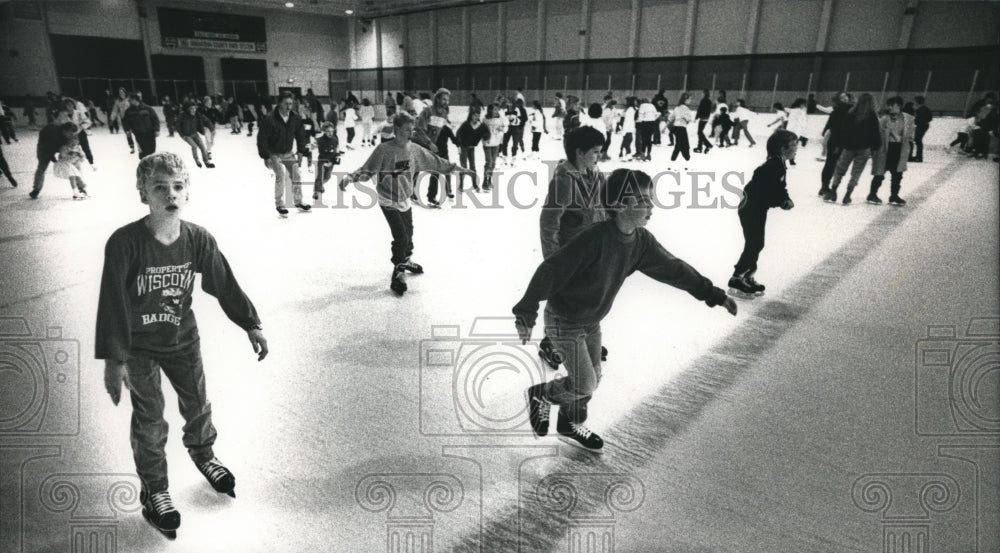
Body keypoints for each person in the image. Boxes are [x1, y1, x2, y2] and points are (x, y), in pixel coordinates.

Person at [96, 152, 268, 539]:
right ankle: (155, 490)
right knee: (150, 418)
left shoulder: (197, 238)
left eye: (177, 186)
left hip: (182, 341)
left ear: (187, 191)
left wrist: (250, 323)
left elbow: (224, 282)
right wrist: (113, 360)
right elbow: (113, 302)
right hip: (138, 348)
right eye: (160, 187)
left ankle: (204, 455)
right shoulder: (125, 243)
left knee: (197, 403)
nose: (170, 194)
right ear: (143, 193)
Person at [517, 168, 737, 452]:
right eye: (644, 201)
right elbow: (551, 270)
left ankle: (569, 422)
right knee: (584, 384)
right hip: (564, 319)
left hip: (591, 321)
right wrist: (526, 312)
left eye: (651, 200)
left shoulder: (641, 241)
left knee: (594, 375)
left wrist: (712, 294)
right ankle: (542, 395)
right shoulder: (593, 239)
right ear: (620, 206)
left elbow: (674, 269)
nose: (651, 207)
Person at [339, 112, 473, 296]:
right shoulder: (384, 150)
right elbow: (367, 170)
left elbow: (435, 161)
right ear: (396, 130)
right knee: (401, 237)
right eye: (406, 129)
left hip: (405, 199)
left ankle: (406, 259)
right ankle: (398, 272)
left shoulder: (414, 149)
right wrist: (349, 178)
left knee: (409, 235)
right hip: (388, 199)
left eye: (412, 129)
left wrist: (457, 168)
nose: (410, 133)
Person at [537, 126, 608, 369]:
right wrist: (553, 260)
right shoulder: (564, 180)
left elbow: (603, 205)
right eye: (596, 152)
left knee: (587, 293)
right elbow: (549, 223)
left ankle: (585, 334)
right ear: (580, 152)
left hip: (593, 249)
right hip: (569, 253)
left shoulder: (594, 174)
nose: (599, 156)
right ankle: (550, 341)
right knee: (564, 297)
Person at [729, 130, 797, 298]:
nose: (797, 148)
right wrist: (780, 202)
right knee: (754, 244)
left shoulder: (779, 163)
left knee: (757, 244)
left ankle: (747, 276)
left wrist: (784, 198)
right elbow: (761, 189)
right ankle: (736, 279)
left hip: (756, 208)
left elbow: (779, 187)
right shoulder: (772, 166)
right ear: (783, 148)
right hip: (750, 209)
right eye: (794, 145)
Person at [257, 92, 312, 216]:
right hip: (273, 153)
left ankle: (298, 201)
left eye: (291, 104)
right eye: (286, 104)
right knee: (280, 175)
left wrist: (300, 151)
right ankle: (280, 204)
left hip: (288, 152)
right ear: (279, 103)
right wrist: (265, 156)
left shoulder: (295, 118)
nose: (289, 106)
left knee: (296, 175)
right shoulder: (270, 118)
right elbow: (262, 138)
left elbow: (301, 135)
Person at [824, 93, 880, 205]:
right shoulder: (872, 116)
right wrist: (874, 148)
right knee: (856, 172)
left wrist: (839, 145)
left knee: (840, 169)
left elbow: (843, 131)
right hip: (864, 148)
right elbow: (875, 134)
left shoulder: (851, 113)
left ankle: (833, 191)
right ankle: (848, 194)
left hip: (848, 147)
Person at [867, 96, 914, 206]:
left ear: (899, 106)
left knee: (897, 174)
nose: (892, 107)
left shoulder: (908, 119)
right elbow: (877, 134)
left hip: (899, 149)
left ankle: (894, 195)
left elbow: (911, 135)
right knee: (879, 174)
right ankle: (872, 194)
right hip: (884, 149)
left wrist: (905, 139)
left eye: (894, 105)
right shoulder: (883, 119)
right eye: (890, 105)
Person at [29, 107, 71, 199]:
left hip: (57, 145)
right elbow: (47, 146)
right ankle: (36, 188)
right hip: (44, 148)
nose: (65, 118)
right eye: (61, 116)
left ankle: (80, 187)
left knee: (72, 164)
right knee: (42, 167)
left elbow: (72, 141)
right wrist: (53, 158)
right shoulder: (50, 129)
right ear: (56, 118)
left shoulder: (67, 128)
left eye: (66, 116)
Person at [454, 109, 490, 192]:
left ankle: (475, 185)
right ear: (471, 116)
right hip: (464, 147)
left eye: (478, 115)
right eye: (474, 115)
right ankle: (461, 185)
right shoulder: (466, 124)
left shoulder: (480, 125)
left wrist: (486, 136)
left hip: (472, 148)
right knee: (463, 167)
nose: (476, 117)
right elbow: (458, 133)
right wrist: (459, 142)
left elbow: (486, 133)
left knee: (473, 167)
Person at [52, 123, 90, 199]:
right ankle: (76, 190)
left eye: (75, 142)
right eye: (71, 142)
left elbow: (83, 157)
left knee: (78, 175)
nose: (73, 143)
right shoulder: (64, 146)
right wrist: (69, 154)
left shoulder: (78, 147)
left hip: (75, 163)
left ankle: (81, 189)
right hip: (66, 163)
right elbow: (62, 156)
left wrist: (80, 156)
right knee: (73, 176)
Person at [175, 102, 215, 168]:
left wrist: (212, 128)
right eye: (192, 109)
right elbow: (178, 125)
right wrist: (182, 135)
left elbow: (207, 120)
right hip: (187, 135)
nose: (194, 110)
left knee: (203, 147)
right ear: (188, 109)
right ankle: (197, 160)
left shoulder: (197, 115)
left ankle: (206, 161)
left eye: (194, 108)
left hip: (194, 134)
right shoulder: (182, 115)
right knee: (194, 146)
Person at [122, 93, 161, 159]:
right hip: (139, 135)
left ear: (135, 100)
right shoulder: (128, 111)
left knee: (152, 152)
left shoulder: (148, 108)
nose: (129, 102)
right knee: (143, 153)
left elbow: (155, 119)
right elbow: (125, 122)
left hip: (150, 133)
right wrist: (127, 130)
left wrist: (157, 129)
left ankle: (152, 166)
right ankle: (144, 167)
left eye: (130, 100)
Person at [481, 103, 507, 191]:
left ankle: (489, 180)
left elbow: (504, 128)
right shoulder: (485, 120)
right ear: (490, 110)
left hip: (496, 143)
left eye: (497, 109)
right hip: (487, 143)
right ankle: (485, 181)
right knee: (489, 162)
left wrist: (501, 129)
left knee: (494, 162)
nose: (496, 111)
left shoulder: (500, 119)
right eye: (495, 109)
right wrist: (484, 137)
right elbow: (482, 131)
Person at [313, 121, 340, 201]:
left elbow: (337, 149)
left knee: (327, 177)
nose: (330, 133)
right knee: (320, 177)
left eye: (332, 131)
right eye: (328, 131)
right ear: (324, 131)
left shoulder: (335, 140)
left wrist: (337, 156)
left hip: (331, 161)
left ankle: (320, 186)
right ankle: (316, 192)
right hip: (322, 160)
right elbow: (313, 145)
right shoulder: (319, 140)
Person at [667, 93, 694, 161]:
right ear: (685, 100)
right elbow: (689, 119)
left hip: (675, 128)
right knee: (683, 144)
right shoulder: (686, 109)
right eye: (690, 99)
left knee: (680, 143)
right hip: (681, 128)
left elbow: (671, 117)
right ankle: (685, 158)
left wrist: (667, 125)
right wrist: (685, 119)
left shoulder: (677, 108)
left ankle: (682, 158)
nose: (691, 100)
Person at [910, 96, 932, 162]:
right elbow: (930, 118)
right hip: (924, 125)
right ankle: (919, 156)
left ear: (917, 102)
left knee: (918, 140)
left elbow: (918, 119)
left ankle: (919, 157)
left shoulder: (920, 109)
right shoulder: (925, 108)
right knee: (918, 140)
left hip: (921, 126)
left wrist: (916, 122)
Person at [694, 90, 714, 154]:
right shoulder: (709, 101)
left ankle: (707, 145)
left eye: (702, 93)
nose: (701, 94)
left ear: (704, 94)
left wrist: (696, 117)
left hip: (702, 118)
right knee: (700, 132)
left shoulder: (703, 100)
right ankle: (699, 147)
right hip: (706, 118)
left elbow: (700, 109)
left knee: (699, 132)